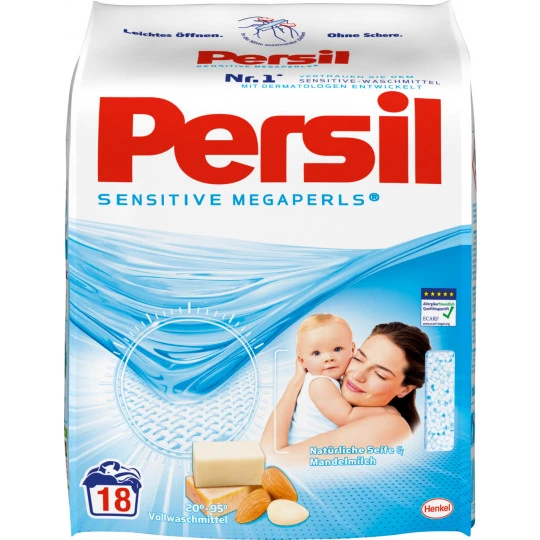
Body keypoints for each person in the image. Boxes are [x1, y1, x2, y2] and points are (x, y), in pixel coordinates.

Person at [261, 322, 430, 466]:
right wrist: (298, 379)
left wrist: (296, 383)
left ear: (405, 389)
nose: (357, 375)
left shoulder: (391, 425)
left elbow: (271, 460)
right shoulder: (328, 389)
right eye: (358, 359)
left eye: (380, 374)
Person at [289, 314, 389, 445]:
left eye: (337, 349)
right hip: (305, 448)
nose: (329, 358)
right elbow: (347, 417)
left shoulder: (332, 381)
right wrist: (386, 410)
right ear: (302, 361)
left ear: (352, 350)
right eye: (316, 353)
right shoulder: (320, 383)